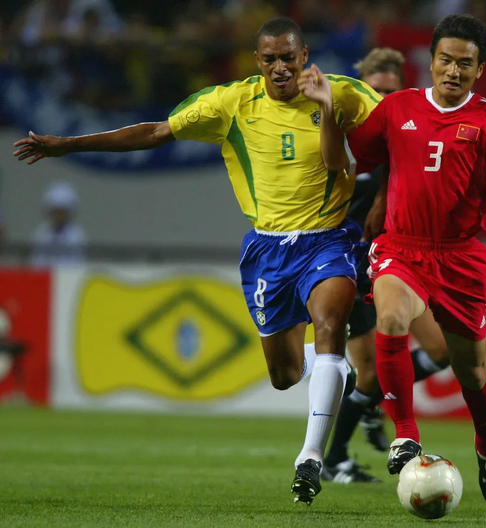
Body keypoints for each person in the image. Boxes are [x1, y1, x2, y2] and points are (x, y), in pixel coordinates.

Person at [13, 17, 381, 506]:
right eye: (270, 59)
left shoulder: (344, 94)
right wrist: (68, 145)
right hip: (269, 249)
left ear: (305, 56)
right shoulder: (231, 102)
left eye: (288, 58)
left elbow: (402, 132)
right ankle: (330, 367)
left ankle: (311, 456)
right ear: (257, 61)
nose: (280, 68)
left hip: (329, 237)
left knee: (331, 323)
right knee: (285, 375)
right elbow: (156, 132)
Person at [346, 14, 486, 505]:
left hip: (459, 259)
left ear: (479, 69)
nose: (453, 71)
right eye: (445, 60)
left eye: (464, 64)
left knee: (471, 373)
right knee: (390, 317)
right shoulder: (397, 108)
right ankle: (406, 435)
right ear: (430, 61)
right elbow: (355, 157)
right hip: (401, 246)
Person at [321, 48, 451, 485]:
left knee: (441, 350)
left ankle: (376, 400)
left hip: (396, 260)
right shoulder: (343, 140)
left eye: (389, 93)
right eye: (374, 91)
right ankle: (335, 459)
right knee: (370, 373)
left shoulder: (405, 136)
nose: (380, 101)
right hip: (349, 265)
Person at [30, 181, 87, 267]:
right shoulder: (41, 234)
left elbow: (77, 264)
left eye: (62, 212)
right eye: (56, 212)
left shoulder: (77, 236)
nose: (59, 216)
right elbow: (36, 262)